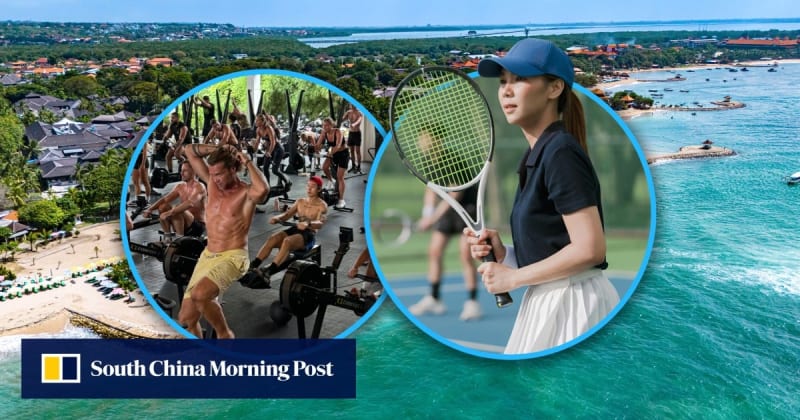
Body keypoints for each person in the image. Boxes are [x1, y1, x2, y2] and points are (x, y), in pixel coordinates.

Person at [465, 38, 620, 354]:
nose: (506, 90)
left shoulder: (560, 152)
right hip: (554, 299)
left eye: (520, 79)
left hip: (571, 305)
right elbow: (556, 246)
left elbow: (590, 249)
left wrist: (513, 279)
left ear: (554, 89)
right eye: (503, 81)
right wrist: (506, 253)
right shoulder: (541, 153)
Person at [179, 143, 269, 339]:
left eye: (219, 174)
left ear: (233, 169)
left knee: (200, 295)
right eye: (213, 174)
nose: (215, 179)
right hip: (208, 255)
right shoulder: (211, 182)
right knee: (186, 321)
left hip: (233, 256)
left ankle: (225, 335)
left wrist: (245, 158)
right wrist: (217, 149)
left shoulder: (246, 193)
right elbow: (188, 151)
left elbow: (263, 190)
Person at [410, 184, 482, 321]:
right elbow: (430, 189)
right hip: (446, 211)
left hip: (466, 209)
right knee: (434, 252)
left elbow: (454, 195)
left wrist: (431, 220)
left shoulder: (454, 165)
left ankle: (472, 303)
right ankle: (434, 298)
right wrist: (427, 214)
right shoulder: (431, 166)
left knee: (466, 255)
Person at [248, 176, 327, 280]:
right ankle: (253, 265)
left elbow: (320, 223)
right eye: (308, 186)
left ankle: (269, 271)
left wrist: (308, 223)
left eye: (313, 187)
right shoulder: (300, 201)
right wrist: (277, 217)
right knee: (273, 238)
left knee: (287, 241)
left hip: (308, 235)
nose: (309, 189)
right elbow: (286, 215)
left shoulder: (322, 205)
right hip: (296, 229)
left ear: (319, 189)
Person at [142, 160, 207, 238]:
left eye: (185, 171)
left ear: (194, 171)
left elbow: (190, 203)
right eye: (181, 170)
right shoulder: (180, 186)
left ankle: (179, 239)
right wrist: (150, 209)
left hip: (197, 226)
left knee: (177, 208)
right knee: (163, 206)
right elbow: (165, 199)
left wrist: (169, 213)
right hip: (183, 224)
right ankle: (168, 238)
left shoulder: (200, 187)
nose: (181, 173)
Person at [320, 117, 348, 208]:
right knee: (324, 167)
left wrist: (330, 153)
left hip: (343, 154)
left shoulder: (338, 131)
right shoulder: (324, 133)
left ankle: (341, 200)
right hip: (333, 153)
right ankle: (331, 180)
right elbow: (318, 144)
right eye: (324, 125)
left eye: (327, 125)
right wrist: (313, 149)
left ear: (332, 125)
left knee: (340, 177)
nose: (325, 127)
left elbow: (338, 145)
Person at [342, 104, 363, 174]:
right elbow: (342, 119)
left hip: (357, 134)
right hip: (351, 133)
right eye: (351, 105)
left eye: (354, 105)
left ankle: (359, 167)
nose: (353, 106)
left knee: (357, 151)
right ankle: (353, 166)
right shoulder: (349, 112)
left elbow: (359, 121)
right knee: (351, 151)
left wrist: (354, 124)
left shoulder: (359, 113)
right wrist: (346, 114)